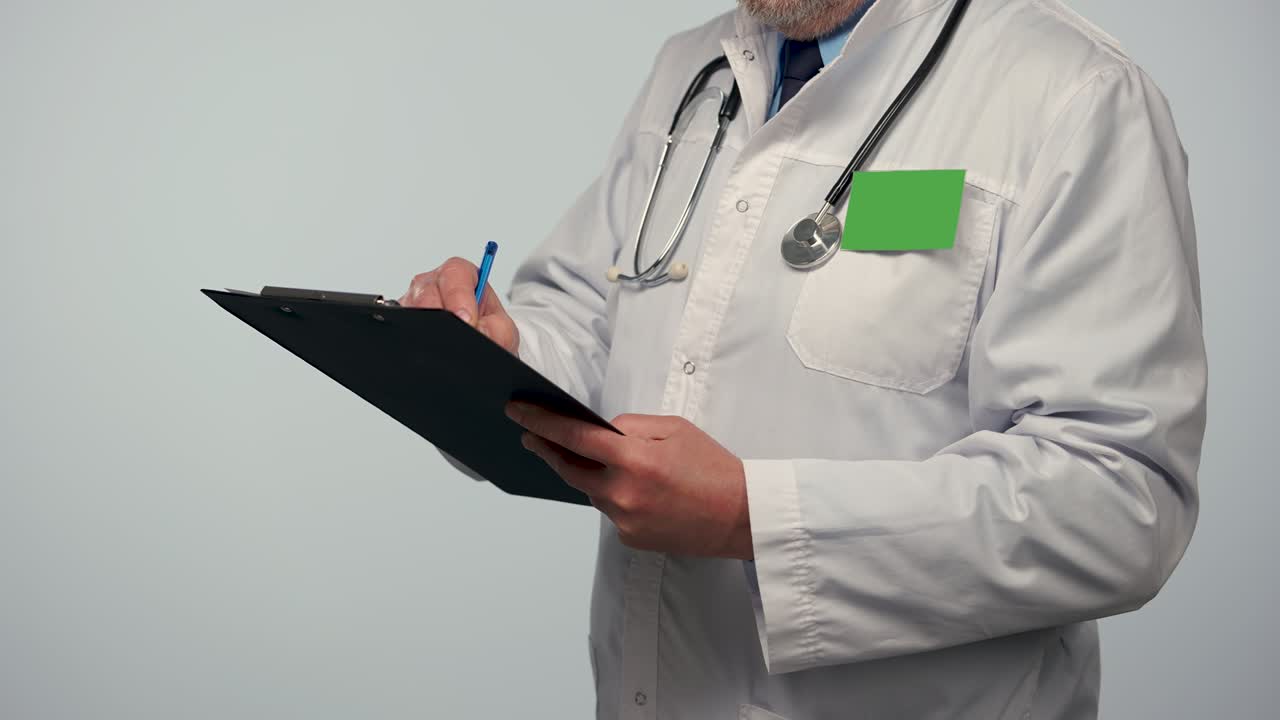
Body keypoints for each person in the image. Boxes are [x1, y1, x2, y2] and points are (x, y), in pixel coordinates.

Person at [400, 0, 1207, 717]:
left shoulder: (1073, 95)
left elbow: (1120, 501)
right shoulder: (692, 69)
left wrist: (758, 518)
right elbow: (595, 319)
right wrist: (503, 353)